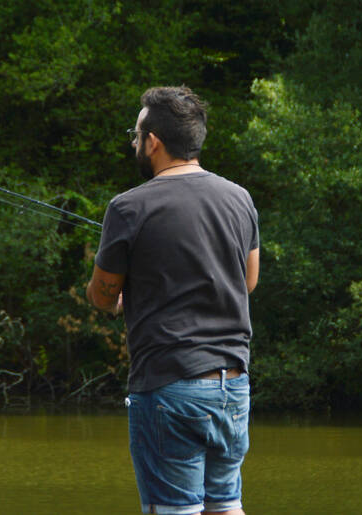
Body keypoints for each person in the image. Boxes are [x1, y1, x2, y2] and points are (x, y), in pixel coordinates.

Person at [86, 86, 259, 515]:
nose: (134, 142)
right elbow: (248, 282)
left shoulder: (127, 208)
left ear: (154, 142)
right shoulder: (240, 198)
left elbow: (102, 294)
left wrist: (117, 297)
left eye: (136, 133)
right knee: (226, 506)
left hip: (169, 388)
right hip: (232, 386)